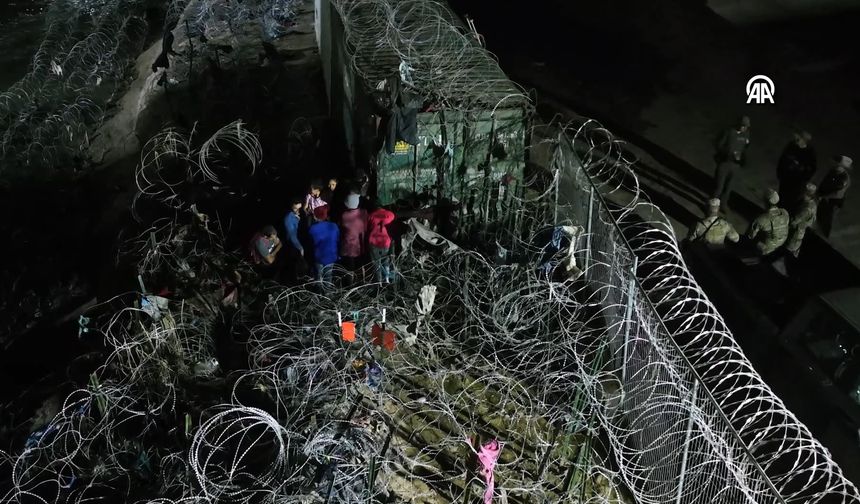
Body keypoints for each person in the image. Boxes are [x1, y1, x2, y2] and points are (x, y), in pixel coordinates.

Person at [777, 130, 816, 208]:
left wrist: (803, 180)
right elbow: (782, 159)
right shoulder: (791, 145)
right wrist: (779, 173)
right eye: (797, 137)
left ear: (804, 141)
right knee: (781, 197)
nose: (796, 139)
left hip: (796, 183)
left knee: (790, 200)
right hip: (785, 178)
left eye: (799, 139)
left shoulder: (810, 153)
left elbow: (812, 169)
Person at [818, 155, 852, 238]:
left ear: (843, 167)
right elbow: (825, 181)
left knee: (828, 219)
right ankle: (818, 230)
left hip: (833, 202)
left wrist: (823, 196)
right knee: (820, 214)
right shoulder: (833, 171)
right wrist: (819, 192)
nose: (835, 164)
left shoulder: (844, 179)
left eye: (838, 164)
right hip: (825, 198)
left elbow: (837, 194)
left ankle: (824, 236)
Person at [748, 189, 790, 257]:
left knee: (753, 240)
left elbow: (751, 236)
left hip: (769, 247)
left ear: (765, 202)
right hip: (782, 242)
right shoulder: (784, 212)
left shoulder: (762, 219)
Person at [308, 205, 339, 286]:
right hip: (331, 255)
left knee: (318, 277)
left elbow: (311, 244)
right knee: (328, 276)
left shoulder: (312, 228)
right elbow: (338, 240)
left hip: (319, 257)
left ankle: (319, 294)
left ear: (315, 216)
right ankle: (328, 294)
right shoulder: (334, 226)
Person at [785, 183, 818, 258]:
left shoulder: (806, 208)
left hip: (798, 228)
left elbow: (795, 220)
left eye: (804, 192)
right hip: (802, 227)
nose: (802, 193)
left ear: (807, 194)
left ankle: (790, 255)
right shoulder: (812, 203)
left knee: (791, 245)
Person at [367, 199, 395, 283]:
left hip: (373, 242)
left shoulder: (370, 216)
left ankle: (378, 283)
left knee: (376, 263)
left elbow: (367, 228)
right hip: (386, 242)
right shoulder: (390, 214)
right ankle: (386, 280)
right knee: (386, 261)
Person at [339, 192, 367, 270]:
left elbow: (342, 228)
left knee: (350, 266)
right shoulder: (364, 212)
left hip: (348, 244)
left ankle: (351, 280)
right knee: (360, 265)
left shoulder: (344, 215)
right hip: (360, 244)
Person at [283, 197, 306, 282]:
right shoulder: (288, 218)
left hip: (299, 238)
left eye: (299, 208)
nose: (297, 211)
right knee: (294, 263)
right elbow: (292, 235)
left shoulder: (298, 213)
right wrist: (300, 247)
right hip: (293, 244)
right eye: (295, 208)